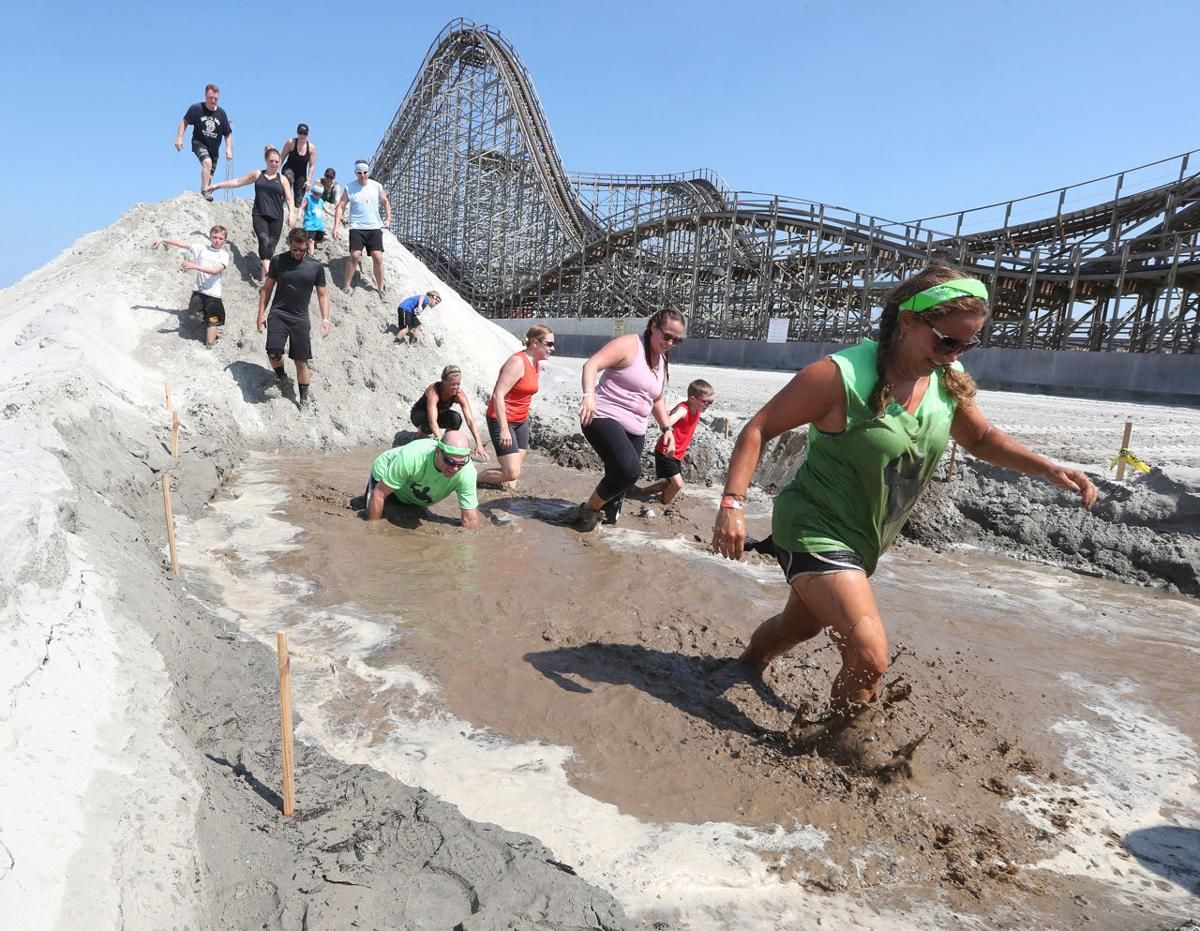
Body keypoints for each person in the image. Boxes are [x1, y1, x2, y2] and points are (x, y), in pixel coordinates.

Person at [710, 265, 1099, 767]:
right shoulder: (840, 375)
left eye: (966, 346)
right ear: (907, 322)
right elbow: (758, 428)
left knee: (797, 627)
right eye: (945, 341)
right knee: (870, 656)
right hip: (813, 525)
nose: (954, 354)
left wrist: (1045, 466)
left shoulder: (946, 379)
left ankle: (743, 665)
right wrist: (732, 505)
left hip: (866, 537)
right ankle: (837, 750)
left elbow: (979, 439)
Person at [568, 308, 685, 530]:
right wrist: (588, 396)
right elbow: (591, 365)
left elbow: (657, 397)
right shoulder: (630, 345)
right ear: (653, 327)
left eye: (676, 340)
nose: (670, 342)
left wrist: (667, 428)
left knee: (612, 513)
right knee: (629, 471)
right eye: (667, 336)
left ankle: (594, 532)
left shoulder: (661, 358)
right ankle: (587, 510)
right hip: (602, 416)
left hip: (636, 429)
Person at [256, 227, 331, 409]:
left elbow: (322, 295)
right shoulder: (278, 261)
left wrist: (325, 319)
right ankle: (281, 377)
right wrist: (261, 313)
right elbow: (267, 288)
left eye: (302, 250)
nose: (298, 253)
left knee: (301, 361)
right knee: (273, 352)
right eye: (294, 249)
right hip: (279, 314)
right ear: (289, 243)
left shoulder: (315, 266)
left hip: (300, 318)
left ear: (308, 245)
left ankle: (303, 398)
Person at [476, 326, 555, 490]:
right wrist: (504, 429)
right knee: (511, 472)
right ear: (534, 343)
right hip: (502, 420)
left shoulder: (536, 364)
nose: (552, 348)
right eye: (549, 344)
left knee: (511, 482)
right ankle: (471, 479)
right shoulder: (518, 362)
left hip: (521, 421)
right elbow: (498, 395)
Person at [206, 146, 295, 282]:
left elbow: (289, 198)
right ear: (266, 160)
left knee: (270, 247)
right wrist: (217, 185)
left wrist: (292, 214)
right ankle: (271, 274)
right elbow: (238, 182)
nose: (274, 164)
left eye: (277, 161)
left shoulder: (282, 179)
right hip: (260, 214)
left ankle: (263, 280)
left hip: (277, 217)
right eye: (272, 161)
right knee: (263, 241)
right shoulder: (257, 174)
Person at [364, 431, 481, 529]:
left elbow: (469, 518)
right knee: (372, 514)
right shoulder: (412, 457)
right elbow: (379, 494)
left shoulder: (467, 472)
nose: (455, 468)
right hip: (386, 477)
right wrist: (374, 532)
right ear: (438, 451)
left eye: (461, 463)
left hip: (415, 494)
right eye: (450, 461)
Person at [635, 379, 714, 506]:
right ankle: (663, 504)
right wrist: (668, 428)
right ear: (692, 399)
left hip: (677, 454)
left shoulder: (697, 409)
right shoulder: (683, 410)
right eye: (706, 402)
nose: (708, 405)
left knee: (669, 483)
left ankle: (639, 492)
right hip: (666, 452)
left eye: (711, 402)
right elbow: (668, 422)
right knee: (677, 484)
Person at [151, 225, 231, 348]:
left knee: (213, 322)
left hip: (213, 295)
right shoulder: (202, 249)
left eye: (221, 238)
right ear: (210, 237)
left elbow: (215, 271)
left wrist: (195, 266)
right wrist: (163, 239)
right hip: (199, 292)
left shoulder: (224, 255)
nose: (217, 240)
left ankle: (211, 344)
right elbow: (182, 244)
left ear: (225, 241)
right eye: (215, 237)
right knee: (194, 316)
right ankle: (205, 328)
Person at [332, 160, 391, 297]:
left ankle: (381, 288)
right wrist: (336, 225)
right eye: (359, 173)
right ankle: (346, 285)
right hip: (357, 227)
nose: (363, 175)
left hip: (374, 227)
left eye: (365, 172)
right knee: (355, 255)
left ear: (368, 172)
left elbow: (385, 201)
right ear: (355, 173)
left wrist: (388, 219)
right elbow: (341, 206)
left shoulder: (376, 186)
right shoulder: (350, 187)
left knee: (377, 256)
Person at [175, 84, 233, 200]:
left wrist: (228, 148)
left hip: (214, 149)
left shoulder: (221, 114)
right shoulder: (196, 109)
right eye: (210, 98)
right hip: (199, 143)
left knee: (209, 175)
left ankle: (206, 197)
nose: (213, 101)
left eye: (215, 99)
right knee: (207, 162)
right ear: (205, 96)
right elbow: (184, 121)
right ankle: (204, 191)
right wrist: (180, 137)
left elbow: (228, 133)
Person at [410, 365, 487, 452]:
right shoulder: (434, 392)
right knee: (428, 425)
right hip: (419, 414)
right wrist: (442, 444)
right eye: (452, 384)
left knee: (455, 419)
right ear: (443, 381)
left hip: (438, 414)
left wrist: (479, 444)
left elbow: (470, 420)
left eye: (458, 384)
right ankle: (418, 437)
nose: (456, 387)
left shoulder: (459, 395)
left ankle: (447, 441)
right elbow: (432, 421)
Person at [280, 124, 317, 208]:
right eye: (300, 133)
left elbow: (312, 165)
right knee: (289, 177)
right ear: (297, 133)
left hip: (301, 174)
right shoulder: (291, 142)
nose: (302, 135)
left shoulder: (311, 148)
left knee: (299, 199)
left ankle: (295, 212)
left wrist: (309, 180)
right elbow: (281, 157)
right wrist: (275, 171)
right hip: (289, 169)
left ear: (307, 134)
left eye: (304, 133)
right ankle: (284, 202)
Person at [302, 180, 326, 254]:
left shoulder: (321, 201)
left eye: (319, 194)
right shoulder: (308, 198)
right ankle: (311, 255)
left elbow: (326, 209)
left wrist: (335, 214)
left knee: (325, 237)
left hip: (319, 226)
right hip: (310, 225)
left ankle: (310, 244)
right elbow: (302, 207)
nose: (317, 196)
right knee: (311, 240)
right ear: (312, 191)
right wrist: (299, 214)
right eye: (315, 193)